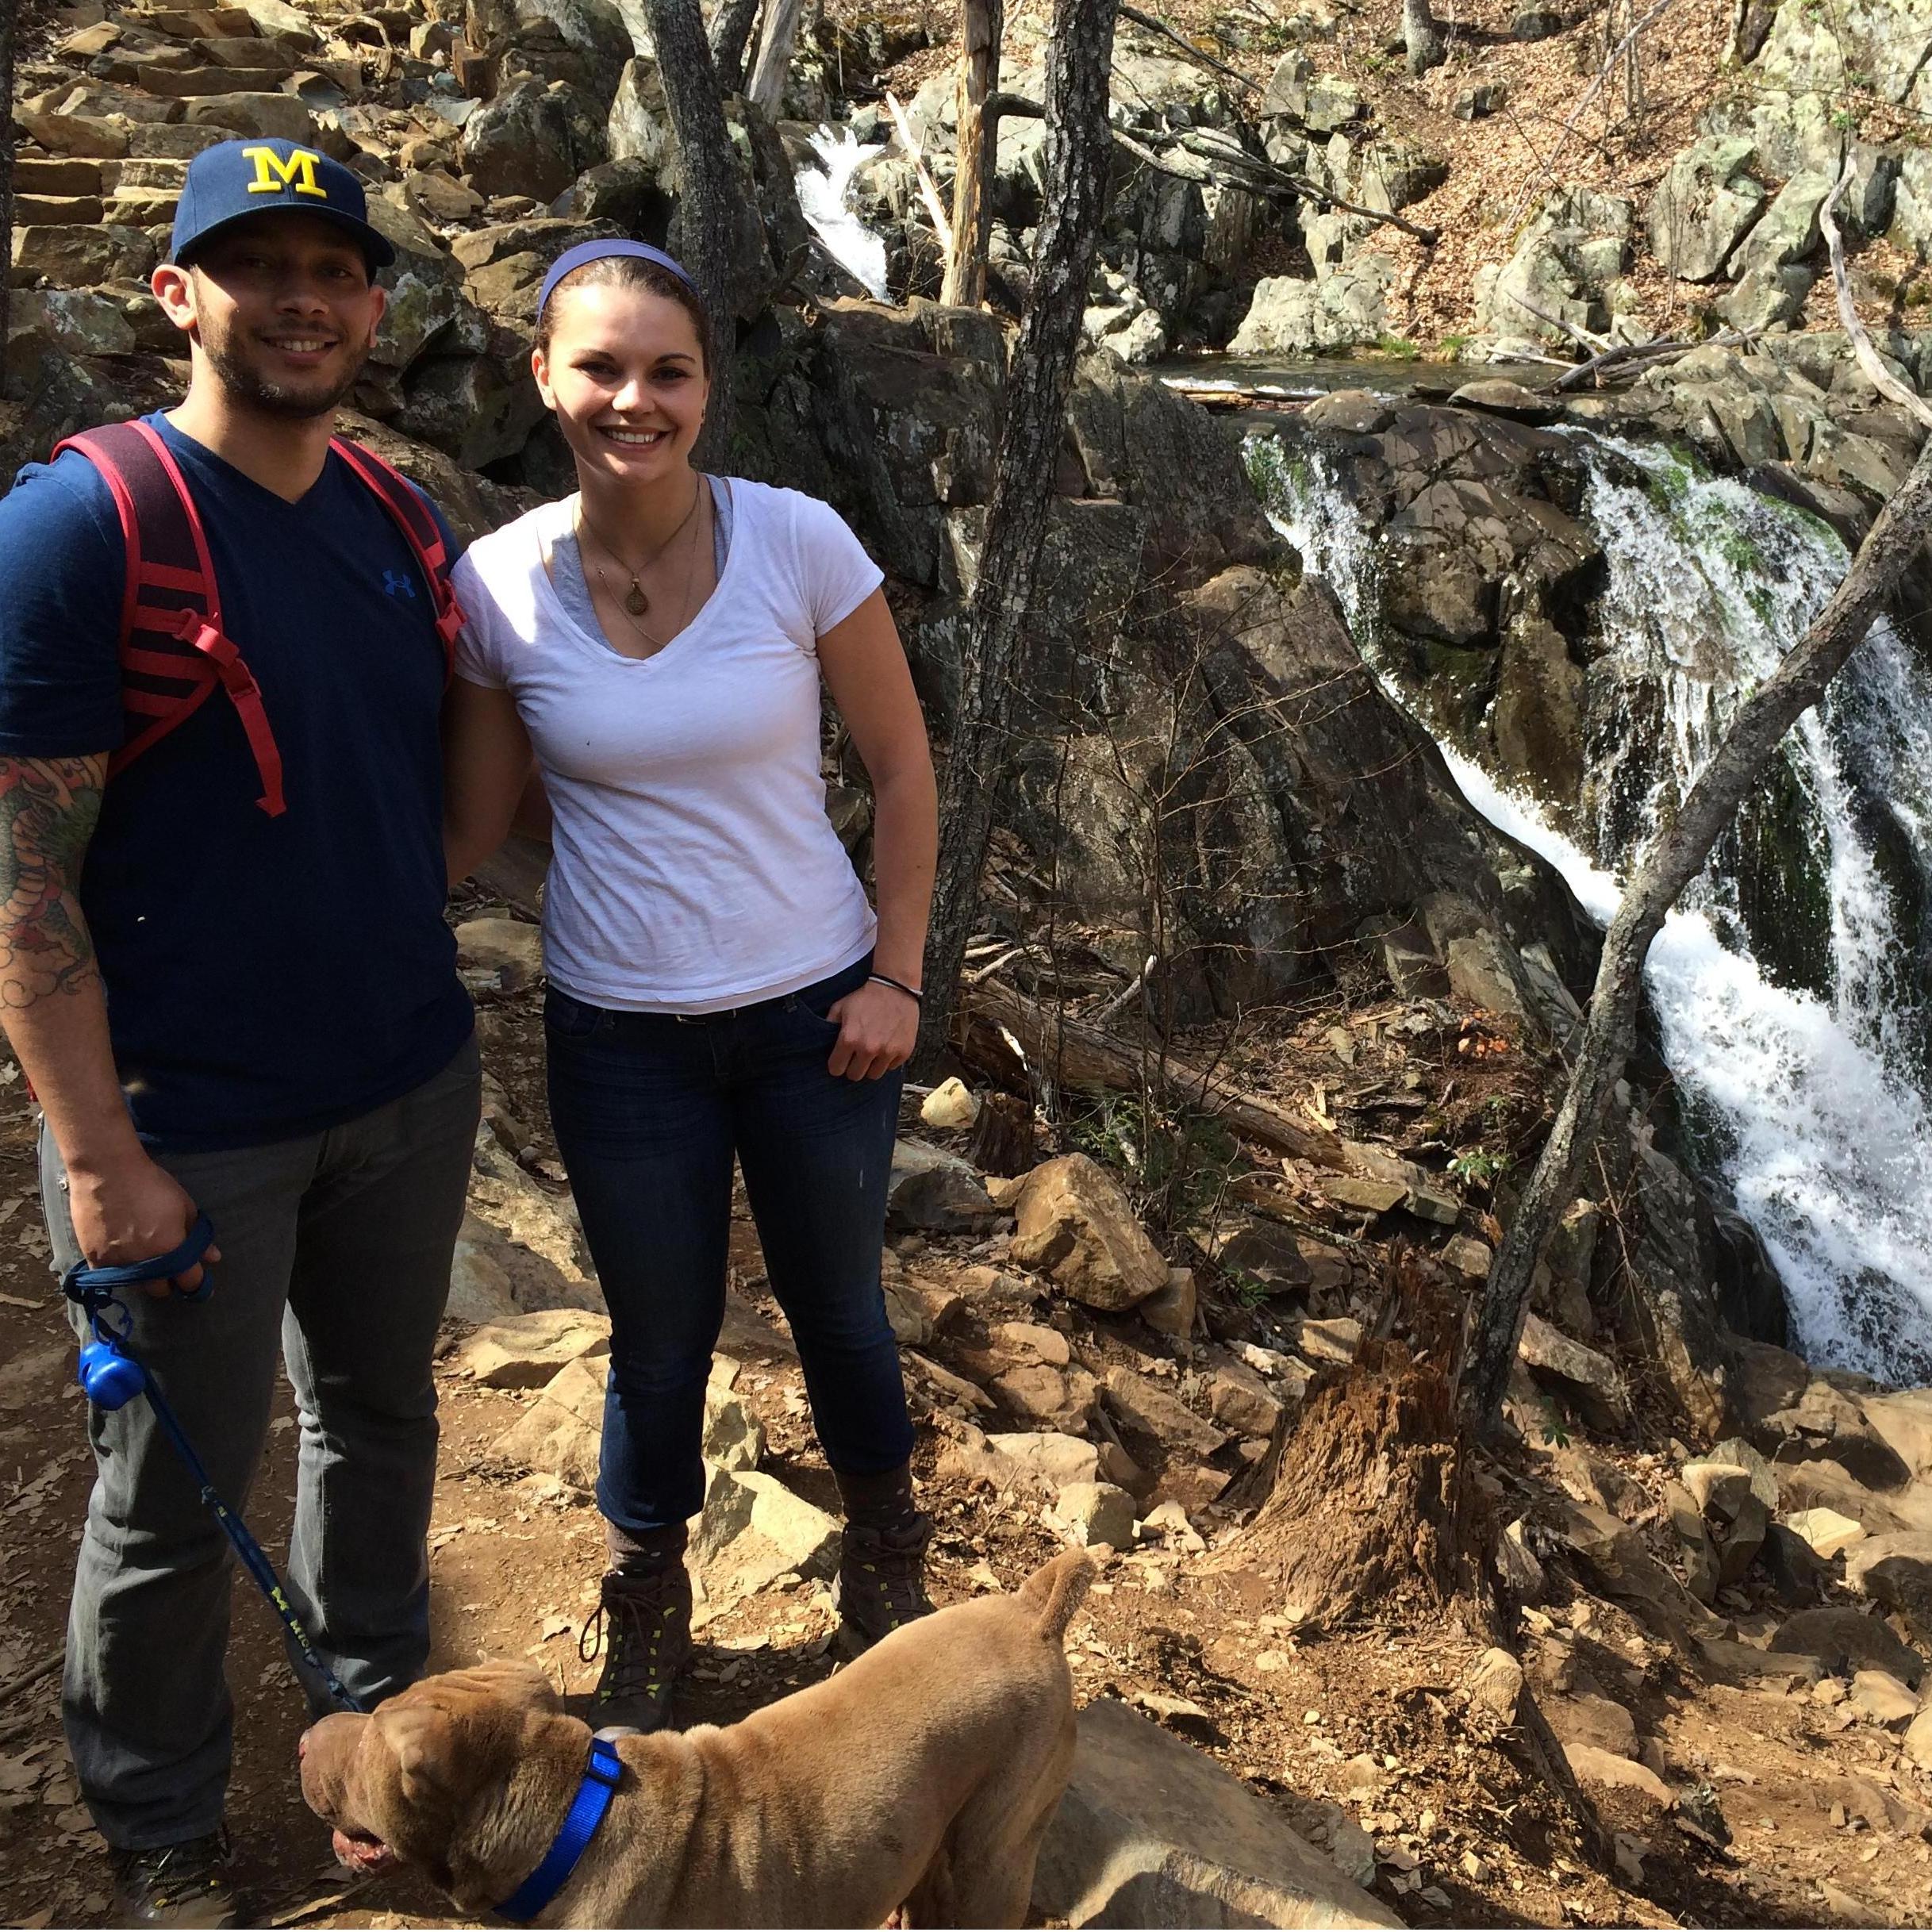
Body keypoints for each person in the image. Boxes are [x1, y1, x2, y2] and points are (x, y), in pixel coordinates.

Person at [0, 140, 480, 1926]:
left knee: (376, 1420)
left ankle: (381, 1757)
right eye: (256, 265)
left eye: (334, 270)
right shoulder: (81, 526)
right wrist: (96, 1153)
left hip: (409, 1087)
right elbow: (22, 879)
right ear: (177, 295)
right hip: (183, 1124)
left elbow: (427, 787)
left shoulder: (391, 516)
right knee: (163, 1502)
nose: (302, 299)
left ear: (371, 306)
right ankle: (162, 1831)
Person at [443, 240, 939, 1734]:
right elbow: (474, 825)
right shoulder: (496, 585)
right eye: (599, 367)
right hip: (618, 1034)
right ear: (544, 378)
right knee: (657, 1346)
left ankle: (885, 1567)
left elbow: (904, 769)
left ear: (706, 390)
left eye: (666, 370)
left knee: (840, 1311)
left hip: (814, 1017)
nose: (632, 399)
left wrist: (899, 977)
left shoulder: (797, 544)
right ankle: (648, 1611)